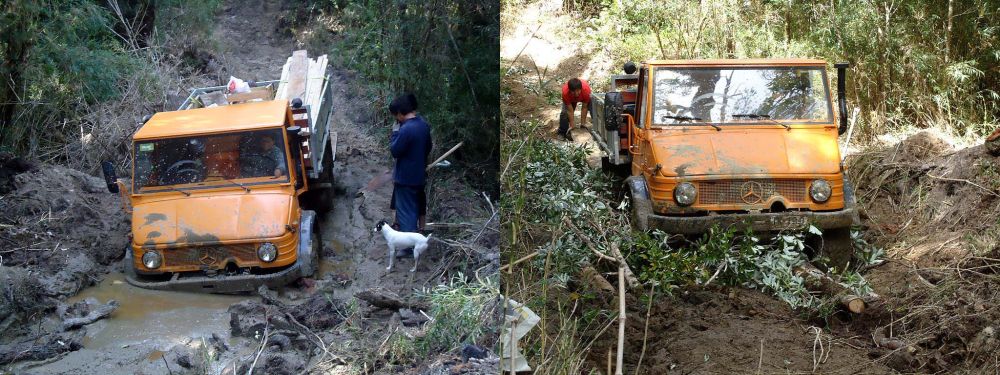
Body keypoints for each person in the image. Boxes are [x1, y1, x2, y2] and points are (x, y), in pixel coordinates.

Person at [388, 93, 432, 237]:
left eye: (396, 115)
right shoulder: (424, 125)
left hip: (405, 178)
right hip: (419, 176)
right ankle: (414, 240)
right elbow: (428, 148)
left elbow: (395, 151)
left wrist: (395, 133)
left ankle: (408, 246)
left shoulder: (406, 129)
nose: (396, 119)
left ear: (400, 113)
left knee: (406, 212)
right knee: (414, 208)